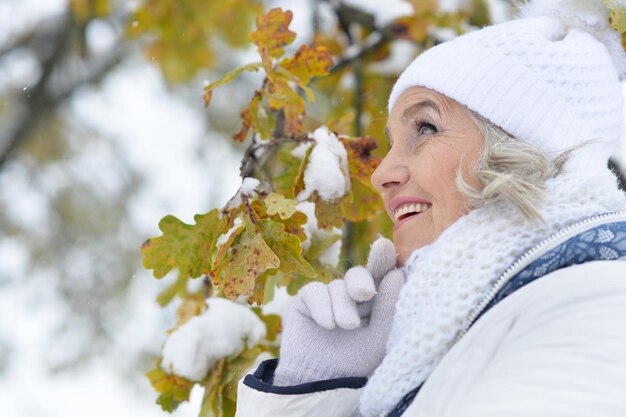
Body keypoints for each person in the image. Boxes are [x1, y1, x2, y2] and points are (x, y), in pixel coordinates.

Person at [235, 1, 626, 416]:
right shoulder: (465, 336)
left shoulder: (595, 307)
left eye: (424, 128)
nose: (380, 173)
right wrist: (316, 388)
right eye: (390, 142)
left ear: (524, 150)